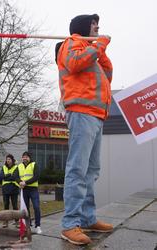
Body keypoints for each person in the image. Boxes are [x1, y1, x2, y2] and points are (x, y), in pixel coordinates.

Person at [55, 14, 113, 245]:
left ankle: (87, 218)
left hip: (95, 115)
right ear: (82, 27)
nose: (97, 27)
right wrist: (97, 46)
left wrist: (101, 51)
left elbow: (107, 77)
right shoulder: (72, 43)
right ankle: (70, 224)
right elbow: (75, 63)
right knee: (78, 170)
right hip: (81, 113)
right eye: (93, 24)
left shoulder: (91, 51)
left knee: (91, 170)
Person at [17, 151, 42, 234]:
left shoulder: (34, 164)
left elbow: (36, 176)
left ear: (29, 157)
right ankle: (28, 225)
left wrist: (25, 182)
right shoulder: (19, 166)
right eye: (23, 157)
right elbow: (15, 176)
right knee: (25, 209)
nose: (24, 158)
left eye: (26, 157)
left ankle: (38, 226)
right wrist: (19, 182)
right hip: (24, 190)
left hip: (33, 189)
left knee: (36, 207)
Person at [1, 154, 19, 228]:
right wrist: (9, 175)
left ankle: (17, 221)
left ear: (12, 160)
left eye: (9, 159)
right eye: (7, 159)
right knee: (6, 205)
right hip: (5, 189)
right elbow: (1, 176)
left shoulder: (16, 167)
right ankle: (5, 221)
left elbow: (15, 177)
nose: (8, 160)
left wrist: (6, 177)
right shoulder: (3, 167)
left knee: (15, 206)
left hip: (14, 188)